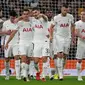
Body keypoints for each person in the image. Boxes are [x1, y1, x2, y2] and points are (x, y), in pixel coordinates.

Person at [5, 8, 34, 82]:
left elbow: (34, 15)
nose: (25, 15)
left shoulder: (33, 22)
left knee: (28, 60)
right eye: (24, 14)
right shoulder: (19, 23)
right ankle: (24, 76)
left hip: (31, 43)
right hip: (22, 43)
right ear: (22, 15)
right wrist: (7, 42)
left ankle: (26, 74)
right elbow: (12, 34)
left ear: (29, 15)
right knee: (23, 58)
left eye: (27, 14)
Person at [49, 4, 75, 80]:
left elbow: (73, 26)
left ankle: (60, 71)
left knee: (65, 55)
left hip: (67, 37)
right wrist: (51, 36)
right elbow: (51, 27)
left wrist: (73, 38)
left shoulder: (70, 16)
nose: (65, 11)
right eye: (64, 10)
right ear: (61, 9)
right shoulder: (56, 17)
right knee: (59, 55)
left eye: (67, 10)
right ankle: (60, 75)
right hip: (59, 37)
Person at [2, 10, 21, 80]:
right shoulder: (5, 23)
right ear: (9, 17)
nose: (12, 19)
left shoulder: (19, 23)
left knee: (17, 58)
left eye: (14, 18)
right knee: (7, 59)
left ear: (16, 17)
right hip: (7, 43)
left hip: (17, 43)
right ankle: (7, 75)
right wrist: (5, 32)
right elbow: (1, 33)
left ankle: (18, 75)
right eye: (11, 18)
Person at [75, 11, 85, 81]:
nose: (82, 16)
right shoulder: (77, 23)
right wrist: (82, 36)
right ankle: (79, 76)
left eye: (84, 14)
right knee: (79, 60)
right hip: (81, 43)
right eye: (81, 14)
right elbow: (76, 32)